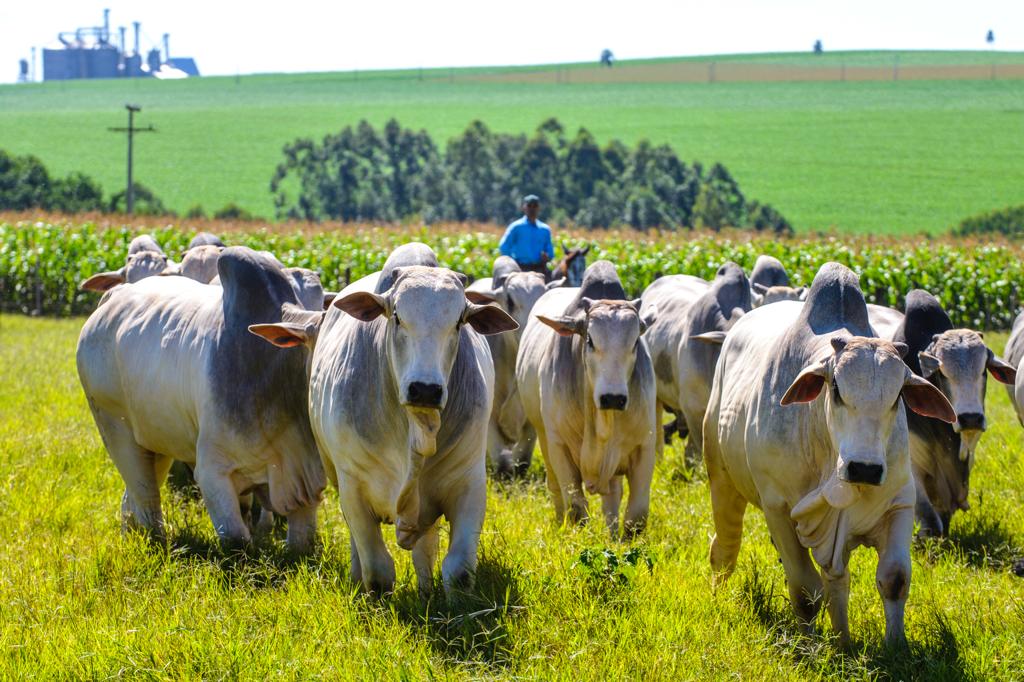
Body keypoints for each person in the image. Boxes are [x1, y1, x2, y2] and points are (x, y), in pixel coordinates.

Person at [499, 195, 554, 277]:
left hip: (539, 269)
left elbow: (550, 251)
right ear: (524, 208)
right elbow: (504, 247)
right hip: (520, 269)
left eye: (535, 206)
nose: (532, 209)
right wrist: (512, 263)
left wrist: (547, 256)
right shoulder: (516, 227)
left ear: (539, 208)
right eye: (529, 206)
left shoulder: (545, 229)